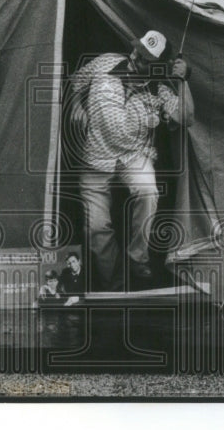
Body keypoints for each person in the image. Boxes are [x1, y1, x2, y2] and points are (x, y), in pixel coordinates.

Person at [68, 30, 194, 291]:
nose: (136, 56)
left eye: (146, 57)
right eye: (137, 49)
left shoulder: (159, 88)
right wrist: (78, 107)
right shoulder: (105, 62)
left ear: (157, 65)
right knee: (96, 227)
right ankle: (115, 284)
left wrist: (183, 81)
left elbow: (186, 118)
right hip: (95, 156)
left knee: (148, 191)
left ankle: (138, 257)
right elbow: (75, 81)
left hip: (134, 155)